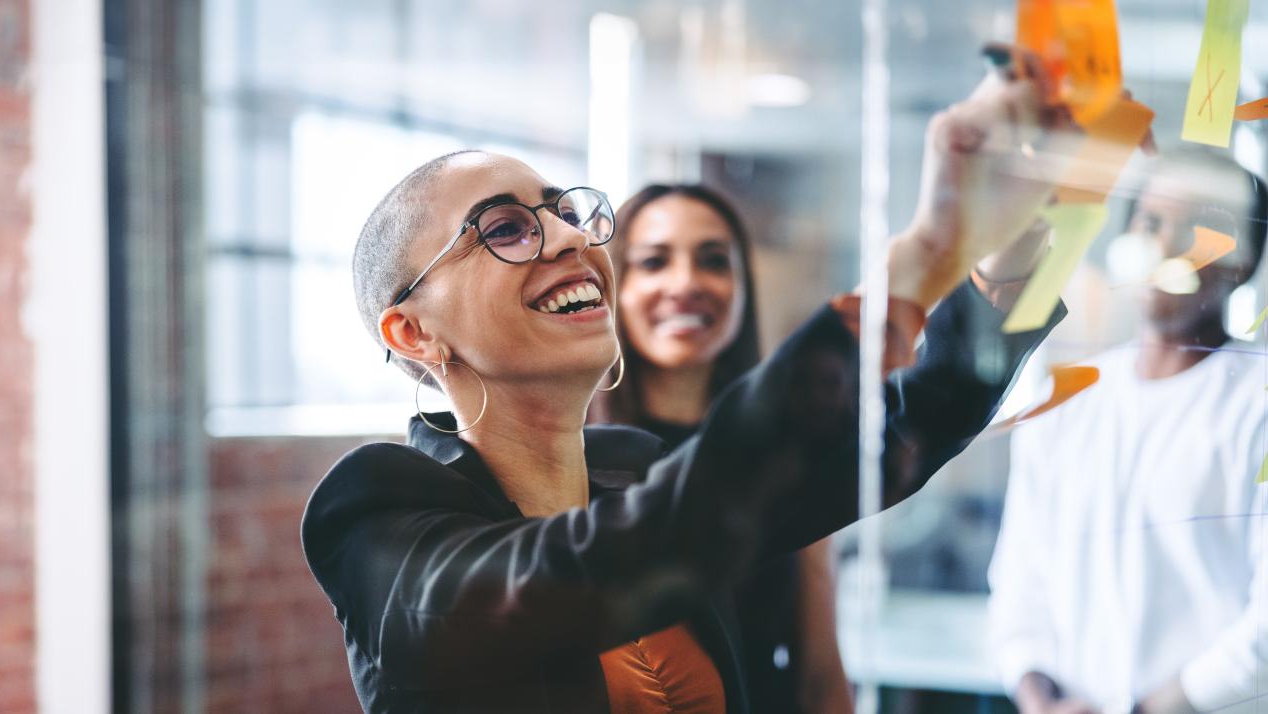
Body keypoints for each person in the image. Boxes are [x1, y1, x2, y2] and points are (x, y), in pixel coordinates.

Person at [302, 49, 1074, 713]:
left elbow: (889, 439)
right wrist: (920, 256)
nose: (572, 237)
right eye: (505, 227)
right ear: (414, 331)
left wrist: (1029, 248)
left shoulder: (633, 466)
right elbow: (604, 560)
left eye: (565, 212)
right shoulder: (374, 511)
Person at [987, 149, 1268, 714]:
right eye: (1150, 222)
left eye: (1194, 229)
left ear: (1239, 260)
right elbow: (1018, 585)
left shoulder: (1256, 402)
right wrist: (1038, 697)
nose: (1162, 247)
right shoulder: (1067, 400)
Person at [588, 183, 852, 712]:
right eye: (653, 262)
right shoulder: (573, 460)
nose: (686, 283)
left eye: (713, 261)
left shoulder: (788, 449)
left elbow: (820, 673)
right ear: (615, 285)